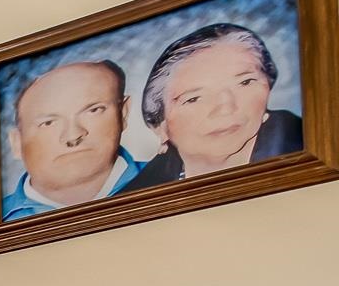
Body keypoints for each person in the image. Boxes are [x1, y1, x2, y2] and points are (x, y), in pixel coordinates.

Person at [122, 22, 303, 191]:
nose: (225, 107)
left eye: (245, 82)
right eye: (194, 99)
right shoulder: (133, 198)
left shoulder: (302, 147)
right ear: (161, 128)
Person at [2, 60, 140, 220]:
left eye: (93, 110)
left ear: (123, 113)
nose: (73, 136)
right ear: (16, 143)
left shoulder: (169, 180)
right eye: (48, 123)